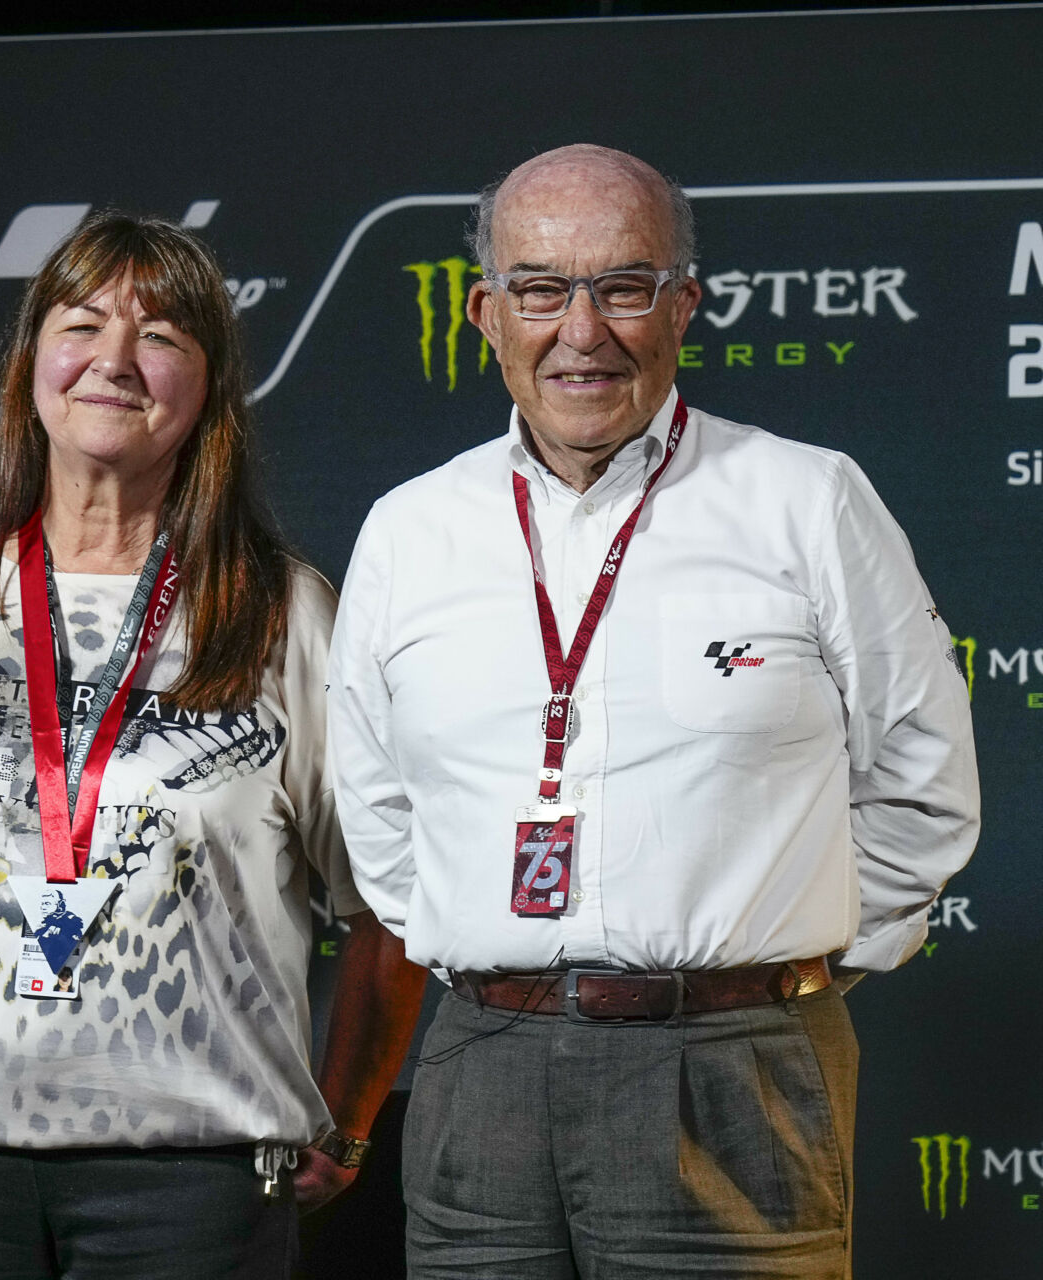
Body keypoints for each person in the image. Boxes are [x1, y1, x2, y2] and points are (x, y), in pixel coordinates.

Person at [328, 143, 980, 1278]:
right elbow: (378, 808)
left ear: (686, 303)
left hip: (735, 1067)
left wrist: (769, 973)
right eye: (541, 287)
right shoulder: (407, 530)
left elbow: (923, 781)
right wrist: (489, 943)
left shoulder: (807, 500)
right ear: (486, 312)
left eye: (625, 285)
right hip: (481, 1066)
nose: (582, 329)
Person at [0, 211, 426, 1280]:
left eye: (160, 337)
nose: (113, 359)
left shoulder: (285, 616)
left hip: (191, 1177)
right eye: (83, 322)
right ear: (30, 362)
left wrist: (347, 1121)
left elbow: (386, 904)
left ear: (209, 388)